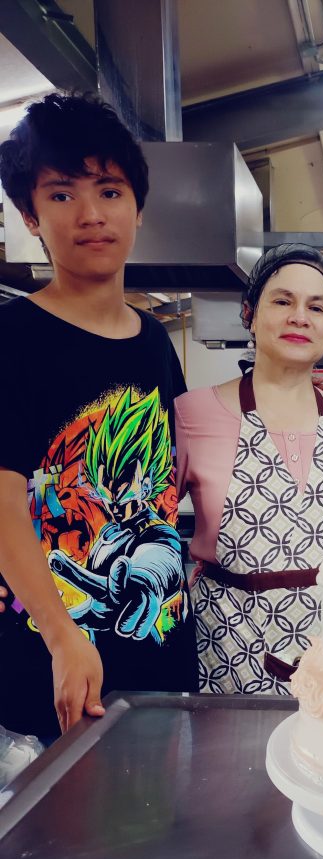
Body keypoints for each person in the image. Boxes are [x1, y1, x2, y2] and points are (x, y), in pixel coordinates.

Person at [0, 93, 198, 738]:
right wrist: (61, 638)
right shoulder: (13, 337)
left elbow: (167, 483)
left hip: (160, 649)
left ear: (137, 208)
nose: (91, 214)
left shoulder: (154, 341)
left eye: (109, 190)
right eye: (61, 195)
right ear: (29, 215)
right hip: (55, 661)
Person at [175, 244, 323, 696]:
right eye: (282, 301)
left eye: (316, 306)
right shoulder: (192, 415)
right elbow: (148, 528)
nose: (299, 317)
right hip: (229, 653)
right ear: (249, 313)